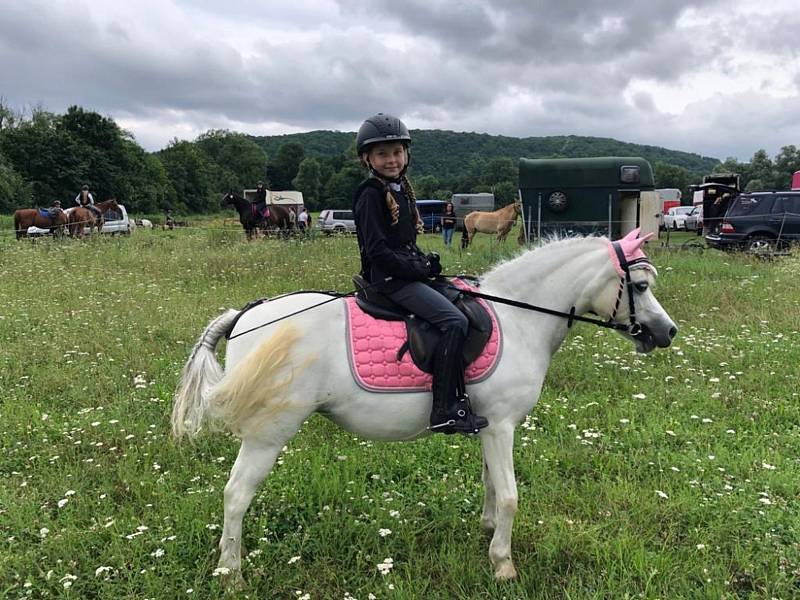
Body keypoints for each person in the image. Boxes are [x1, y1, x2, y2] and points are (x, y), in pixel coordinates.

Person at [352, 113, 488, 435]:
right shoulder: (370, 194)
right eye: (382, 154)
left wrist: (427, 261)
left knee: (465, 294)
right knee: (454, 321)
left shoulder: (399, 190)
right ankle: (444, 408)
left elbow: (402, 243)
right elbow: (378, 252)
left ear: (406, 154)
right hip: (389, 281)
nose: (391, 159)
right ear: (367, 158)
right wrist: (418, 268)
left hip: (405, 275)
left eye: (397, 152)